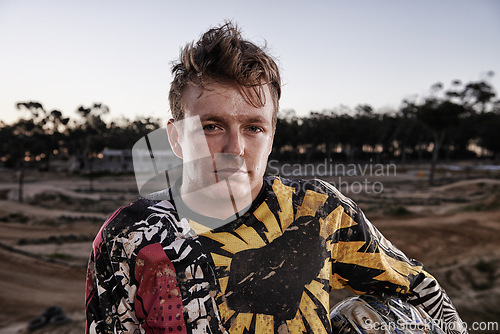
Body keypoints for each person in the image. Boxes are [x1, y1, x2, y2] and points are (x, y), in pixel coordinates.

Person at [85, 21, 467, 334]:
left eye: (254, 128)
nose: (235, 147)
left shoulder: (319, 210)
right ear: (175, 137)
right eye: (213, 126)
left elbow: (419, 290)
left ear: (271, 138)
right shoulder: (130, 237)